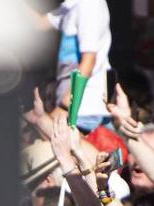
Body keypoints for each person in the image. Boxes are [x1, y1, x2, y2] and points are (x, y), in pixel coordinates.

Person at [35, 0, 112, 131]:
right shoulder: (71, 5)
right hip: (77, 111)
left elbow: (89, 61)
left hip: (83, 111)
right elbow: (39, 23)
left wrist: (65, 107)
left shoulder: (89, 4)